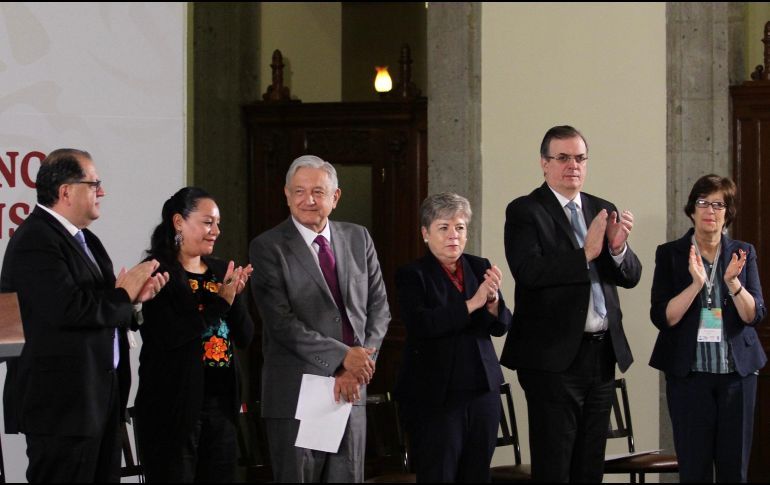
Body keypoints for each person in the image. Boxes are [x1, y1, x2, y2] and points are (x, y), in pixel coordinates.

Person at [0, 148, 169, 483]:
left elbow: (101, 305)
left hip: (96, 401)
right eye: (94, 184)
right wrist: (123, 294)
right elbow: (69, 309)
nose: (101, 192)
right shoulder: (36, 239)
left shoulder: (85, 239)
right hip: (62, 407)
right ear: (66, 191)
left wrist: (134, 301)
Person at [499, 125, 642, 482]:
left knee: (590, 465)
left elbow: (630, 276)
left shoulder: (601, 208)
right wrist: (586, 254)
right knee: (555, 465)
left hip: (601, 354)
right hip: (552, 359)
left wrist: (617, 249)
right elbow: (528, 271)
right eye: (562, 158)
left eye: (579, 158)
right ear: (544, 164)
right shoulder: (525, 211)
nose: (572, 166)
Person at [249, 154, 391, 483]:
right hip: (298, 392)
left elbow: (379, 308)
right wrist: (343, 359)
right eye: (298, 192)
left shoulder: (359, 238)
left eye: (318, 192)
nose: (308, 200)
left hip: (351, 392)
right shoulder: (268, 247)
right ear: (286, 195)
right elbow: (281, 323)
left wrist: (358, 366)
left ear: (335, 197)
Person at [649, 174, 766, 482]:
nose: (710, 210)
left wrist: (732, 283)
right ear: (691, 210)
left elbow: (755, 315)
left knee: (734, 470)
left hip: (736, 378)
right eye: (703, 202)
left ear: (728, 213)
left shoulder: (743, 252)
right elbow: (663, 317)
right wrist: (696, 285)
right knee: (694, 469)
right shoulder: (670, 254)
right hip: (690, 379)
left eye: (718, 204)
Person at [133, 187, 254, 482]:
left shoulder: (218, 270)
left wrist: (235, 298)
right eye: (207, 222)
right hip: (172, 407)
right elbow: (172, 336)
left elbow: (245, 337)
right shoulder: (156, 272)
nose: (216, 231)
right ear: (178, 222)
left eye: (217, 223)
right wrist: (220, 303)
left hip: (220, 406)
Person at [394, 192, 511, 482]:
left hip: (483, 389)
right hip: (437, 395)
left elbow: (499, 326)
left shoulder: (478, 265)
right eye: (443, 228)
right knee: (440, 473)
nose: (453, 236)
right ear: (425, 233)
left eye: (459, 228)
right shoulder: (413, 274)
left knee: (477, 473)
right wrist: (473, 303)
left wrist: (494, 302)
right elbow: (424, 325)